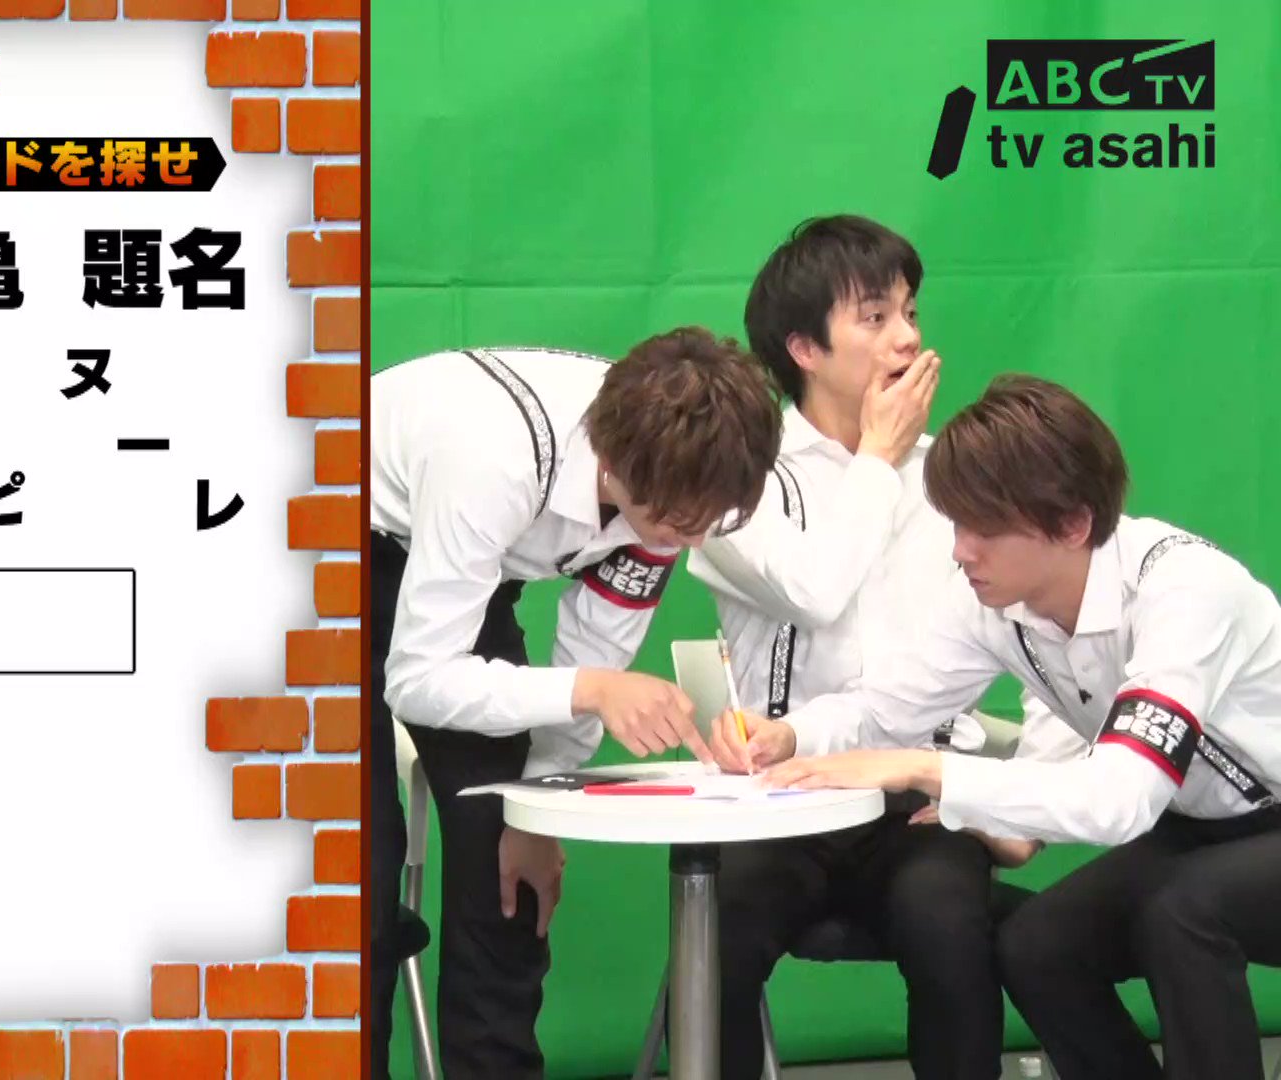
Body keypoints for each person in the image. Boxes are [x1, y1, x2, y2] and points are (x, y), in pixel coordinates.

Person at [732, 375, 1281, 1080]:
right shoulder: (993, 605)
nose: (961, 551)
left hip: (1254, 824)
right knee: (1036, 944)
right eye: (956, 524)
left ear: (1073, 525)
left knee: (1181, 913)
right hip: (1200, 830)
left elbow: (1120, 800)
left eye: (984, 530)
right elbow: (884, 707)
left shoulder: (1186, 592)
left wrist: (928, 770)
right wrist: (791, 737)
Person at [369, 327, 782, 1079]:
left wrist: (540, 806)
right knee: (355, 870)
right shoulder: (493, 455)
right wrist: (590, 690)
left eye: (709, 520)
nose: (689, 540)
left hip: (465, 573)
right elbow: (420, 679)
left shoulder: (677, 479)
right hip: (322, 557)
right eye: (678, 521)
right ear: (616, 463)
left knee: (508, 865)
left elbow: (598, 649)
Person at [690, 214, 1019, 1080]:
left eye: (909, 312)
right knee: (717, 934)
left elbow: (1027, 632)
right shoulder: (738, 481)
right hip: (781, 795)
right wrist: (877, 457)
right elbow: (815, 588)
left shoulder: (954, 476)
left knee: (947, 921)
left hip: (913, 794)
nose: (906, 338)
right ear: (804, 348)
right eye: (875, 318)